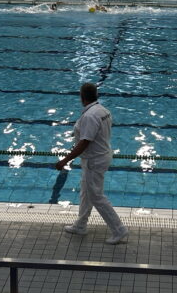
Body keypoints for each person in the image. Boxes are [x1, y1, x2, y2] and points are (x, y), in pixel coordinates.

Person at [55, 83, 128, 245]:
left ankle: (119, 229)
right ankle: (80, 225)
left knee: (96, 196)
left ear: (82, 96)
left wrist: (65, 160)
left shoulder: (89, 116)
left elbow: (84, 142)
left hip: (94, 160)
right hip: (101, 155)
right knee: (86, 192)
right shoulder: (103, 111)